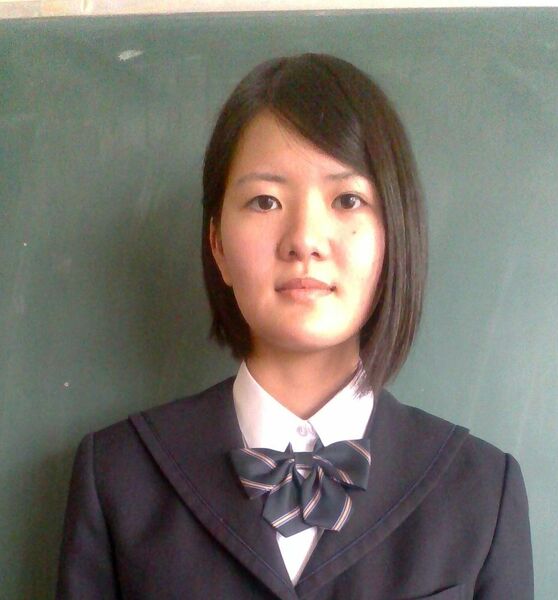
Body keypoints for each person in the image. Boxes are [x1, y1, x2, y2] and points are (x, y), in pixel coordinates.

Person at [56, 54, 533, 599]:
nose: (305, 238)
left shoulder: (481, 490)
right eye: (265, 201)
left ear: (394, 236)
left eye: (347, 199)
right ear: (217, 245)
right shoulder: (118, 475)